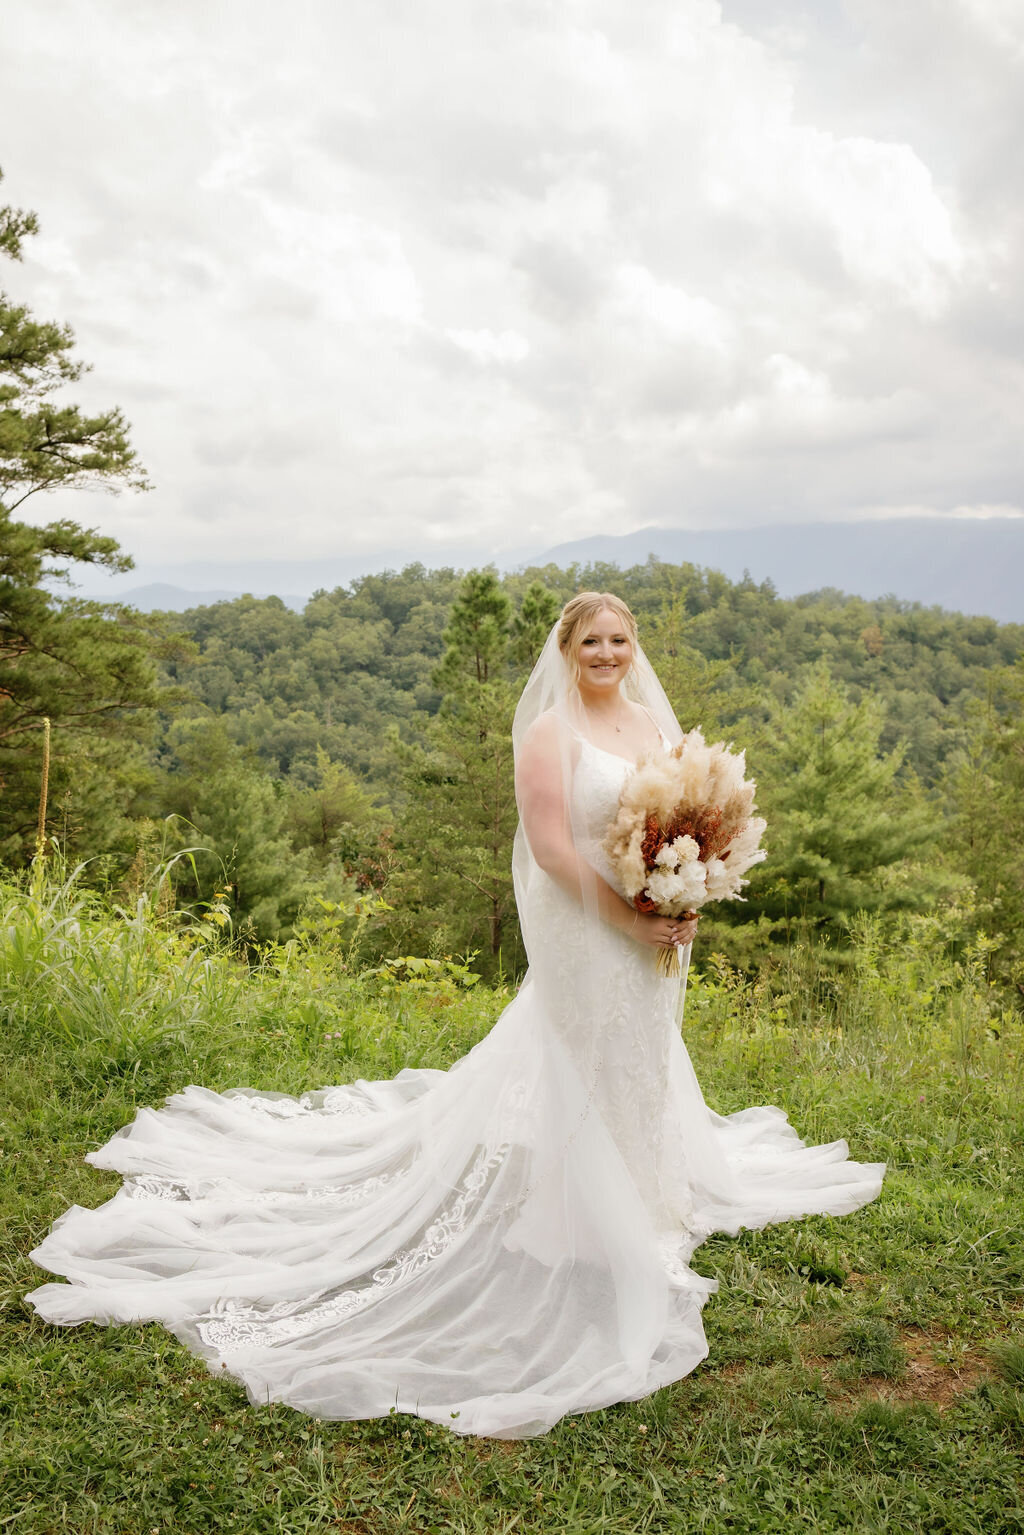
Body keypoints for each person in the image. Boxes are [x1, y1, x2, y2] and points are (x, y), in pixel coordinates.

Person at [27, 591, 884, 1439]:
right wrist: (630, 914)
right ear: (566, 647)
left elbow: (680, 817)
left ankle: (643, 1189)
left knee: (640, 1049)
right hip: (589, 925)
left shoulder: (656, 727)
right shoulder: (549, 734)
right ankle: (580, 1209)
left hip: (653, 921)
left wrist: (685, 891)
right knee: (581, 1050)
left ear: (635, 646)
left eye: (620, 639)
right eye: (592, 639)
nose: (608, 653)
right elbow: (552, 849)